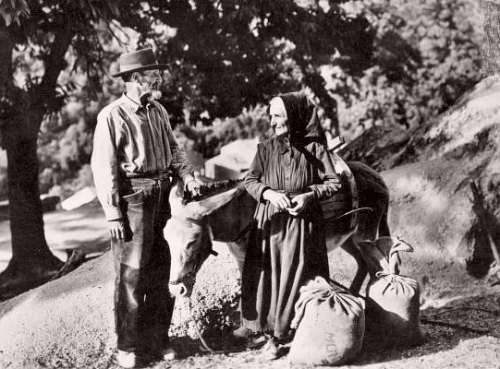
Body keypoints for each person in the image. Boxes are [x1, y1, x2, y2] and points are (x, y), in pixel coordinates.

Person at [91, 48, 201, 368]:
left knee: (160, 271)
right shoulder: (111, 117)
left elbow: (173, 148)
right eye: (154, 74)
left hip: (163, 196)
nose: (159, 77)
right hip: (133, 201)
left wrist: (186, 174)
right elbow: (104, 169)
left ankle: (157, 340)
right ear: (136, 78)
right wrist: (113, 212)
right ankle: (127, 346)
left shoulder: (158, 111)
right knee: (131, 275)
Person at [237, 91, 341, 358]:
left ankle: (291, 333)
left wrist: (308, 196)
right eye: (271, 115)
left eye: (279, 115)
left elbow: (333, 183)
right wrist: (269, 194)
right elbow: (250, 180)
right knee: (267, 279)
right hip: (270, 223)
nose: (273, 121)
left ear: (294, 116)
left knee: (295, 277)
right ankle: (268, 335)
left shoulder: (315, 149)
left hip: (302, 225)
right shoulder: (266, 148)